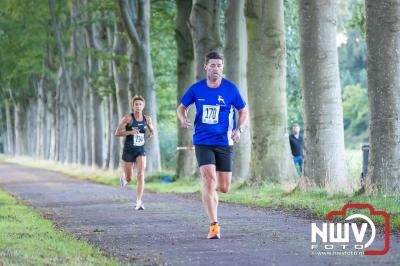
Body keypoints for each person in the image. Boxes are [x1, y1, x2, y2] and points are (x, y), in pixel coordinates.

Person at [177, 51, 248, 239]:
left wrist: (239, 129)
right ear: (205, 67)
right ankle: (214, 225)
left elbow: (243, 111)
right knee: (208, 181)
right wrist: (183, 118)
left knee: (224, 187)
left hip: (224, 142)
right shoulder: (196, 89)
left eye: (219, 65)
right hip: (202, 140)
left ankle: (210, 193)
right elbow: (181, 107)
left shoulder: (231, 89)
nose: (216, 68)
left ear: (222, 68)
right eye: (212, 65)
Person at [115, 95, 154, 210]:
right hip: (129, 149)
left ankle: (139, 201)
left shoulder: (147, 119)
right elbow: (117, 132)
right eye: (136, 104)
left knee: (141, 174)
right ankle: (124, 178)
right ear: (133, 106)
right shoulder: (128, 118)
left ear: (143, 106)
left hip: (140, 149)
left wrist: (151, 133)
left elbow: (152, 130)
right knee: (129, 178)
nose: (138, 106)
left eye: (140, 104)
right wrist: (130, 132)